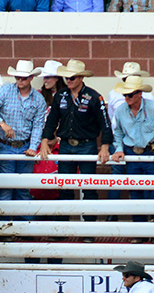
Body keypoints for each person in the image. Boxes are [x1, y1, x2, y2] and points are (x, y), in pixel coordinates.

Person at [0, 59, 48, 215]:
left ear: (31, 78)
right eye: (18, 77)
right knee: (6, 190)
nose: (20, 80)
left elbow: (38, 125)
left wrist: (33, 147)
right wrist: (2, 123)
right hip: (5, 145)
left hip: (23, 146)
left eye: (23, 78)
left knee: (22, 189)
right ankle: (6, 228)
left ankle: (21, 227)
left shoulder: (38, 99)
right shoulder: (6, 91)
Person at [40, 59, 112, 199]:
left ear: (81, 78)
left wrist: (105, 146)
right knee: (65, 187)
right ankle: (65, 220)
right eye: (67, 77)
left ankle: (89, 220)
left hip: (87, 145)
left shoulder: (94, 97)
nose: (69, 80)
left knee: (89, 187)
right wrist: (44, 140)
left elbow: (105, 124)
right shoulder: (60, 96)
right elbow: (51, 121)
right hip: (66, 145)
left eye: (72, 78)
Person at [109, 75, 154, 209]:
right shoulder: (121, 110)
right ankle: (139, 223)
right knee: (135, 191)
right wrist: (119, 149)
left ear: (139, 94)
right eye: (125, 95)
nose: (127, 98)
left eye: (130, 94)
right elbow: (118, 132)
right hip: (131, 153)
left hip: (150, 153)